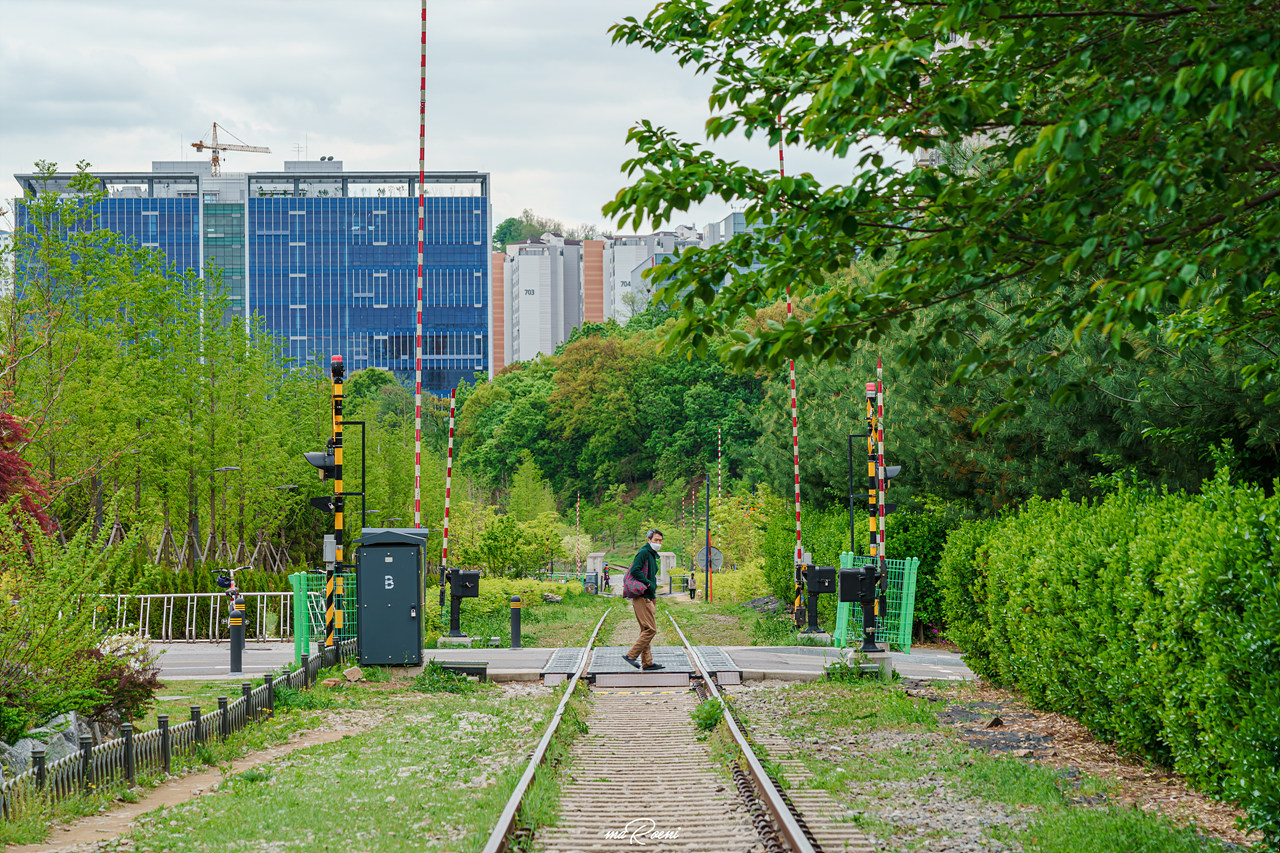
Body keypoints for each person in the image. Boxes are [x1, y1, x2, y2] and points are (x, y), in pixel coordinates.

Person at [623, 529, 665, 670]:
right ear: (649, 540)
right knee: (651, 630)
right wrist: (647, 583)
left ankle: (647, 662)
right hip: (641, 596)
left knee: (645, 629)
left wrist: (653, 596)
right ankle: (631, 656)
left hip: (647, 596)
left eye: (660, 540)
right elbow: (635, 570)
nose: (658, 543)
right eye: (655, 540)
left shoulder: (652, 555)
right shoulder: (644, 552)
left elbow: (652, 577)